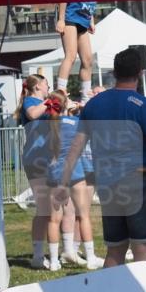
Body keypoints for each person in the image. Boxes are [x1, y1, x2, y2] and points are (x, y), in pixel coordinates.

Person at [56, 47, 146, 267]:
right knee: (143, 249)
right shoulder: (142, 104)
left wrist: (63, 182)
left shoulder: (93, 105)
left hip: (107, 184)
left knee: (115, 250)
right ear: (140, 73)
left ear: (114, 72)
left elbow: (76, 146)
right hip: (136, 182)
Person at [46, 92, 104, 269]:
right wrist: (79, 108)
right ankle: (91, 257)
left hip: (54, 172)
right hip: (75, 170)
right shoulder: (77, 123)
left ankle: (55, 261)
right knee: (84, 215)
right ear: (65, 105)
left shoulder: (45, 125)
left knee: (54, 219)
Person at [16, 74, 56, 269]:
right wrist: (51, 101)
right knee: (43, 209)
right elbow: (32, 114)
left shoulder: (46, 104)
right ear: (38, 86)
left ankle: (59, 253)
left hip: (50, 160)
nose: (49, 87)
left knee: (53, 210)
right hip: (36, 160)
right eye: (47, 84)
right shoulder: (30, 101)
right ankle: (38, 257)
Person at [55, 2, 95, 100]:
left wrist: (91, 21)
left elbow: (90, 3)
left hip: (84, 19)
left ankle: (86, 97)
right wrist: (61, 19)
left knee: (88, 60)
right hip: (70, 17)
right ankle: (60, 92)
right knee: (71, 56)